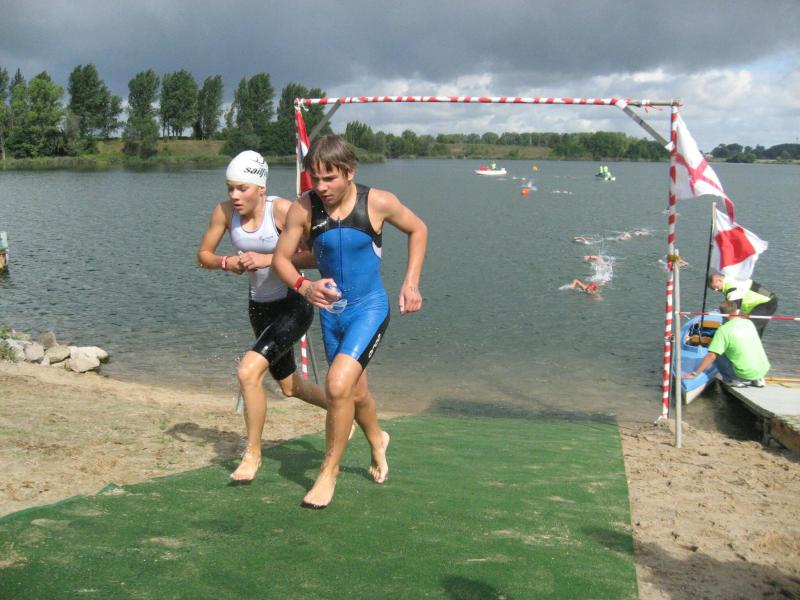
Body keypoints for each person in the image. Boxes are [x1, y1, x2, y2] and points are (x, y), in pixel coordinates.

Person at [273, 134, 428, 509]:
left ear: (350, 171)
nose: (321, 187)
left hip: (369, 309)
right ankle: (378, 438)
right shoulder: (303, 209)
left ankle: (329, 472)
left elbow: (418, 229)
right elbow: (281, 259)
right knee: (354, 392)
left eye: (330, 178)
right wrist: (304, 286)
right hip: (332, 315)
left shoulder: (378, 202)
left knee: (337, 385)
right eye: (315, 178)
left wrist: (410, 283)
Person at [197, 150, 333, 482]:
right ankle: (345, 408)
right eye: (230, 188)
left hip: (293, 304)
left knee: (248, 373)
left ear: (261, 188)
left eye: (242, 188)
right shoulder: (224, 212)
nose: (234, 195)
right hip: (258, 307)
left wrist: (269, 259)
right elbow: (203, 256)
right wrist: (229, 263)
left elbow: (319, 255)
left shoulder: (282, 211)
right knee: (291, 387)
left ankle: (252, 454)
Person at [683, 300, 770, 387]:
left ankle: (732, 379)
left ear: (721, 313)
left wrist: (695, 374)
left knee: (715, 352)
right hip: (763, 370)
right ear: (736, 311)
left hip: (743, 374)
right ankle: (758, 379)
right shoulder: (748, 323)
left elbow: (711, 356)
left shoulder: (723, 330)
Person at [708, 273, 778, 338]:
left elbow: (732, 313)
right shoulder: (731, 279)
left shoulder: (732, 288)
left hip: (765, 303)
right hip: (761, 303)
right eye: (714, 289)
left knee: (749, 329)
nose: (716, 291)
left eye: (716, 288)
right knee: (753, 331)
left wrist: (723, 330)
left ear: (719, 280)